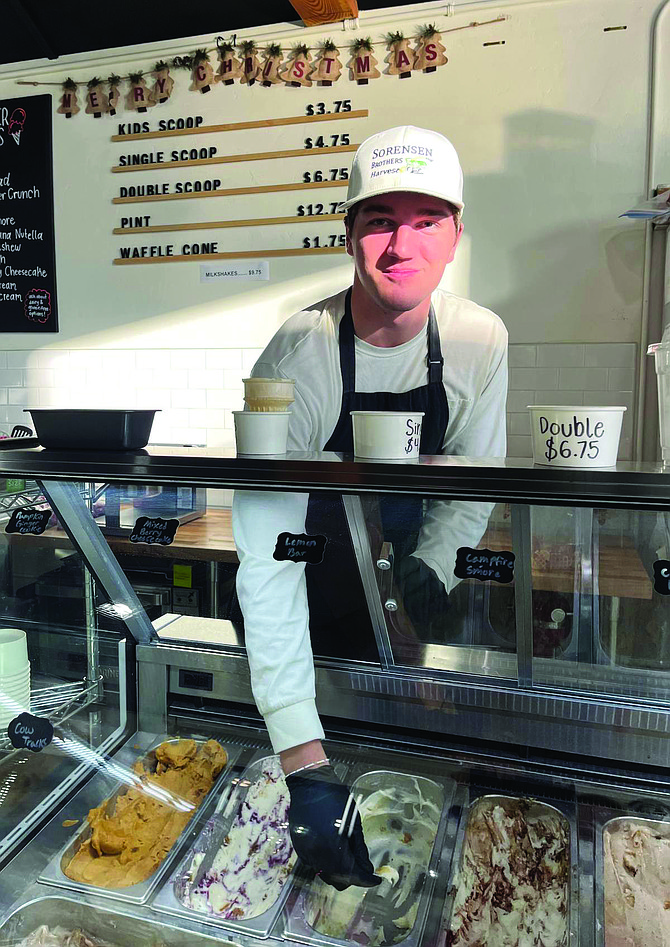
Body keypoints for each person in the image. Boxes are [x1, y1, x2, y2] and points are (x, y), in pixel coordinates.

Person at [232, 126, 508, 889]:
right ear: (347, 232)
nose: (400, 243)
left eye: (427, 220)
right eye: (380, 218)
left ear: (457, 236)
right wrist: (300, 754)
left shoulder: (480, 340)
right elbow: (269, 546)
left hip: (406, 607)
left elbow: (470, 486)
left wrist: (429, 571)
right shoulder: (303, 348)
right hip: (300, 607)